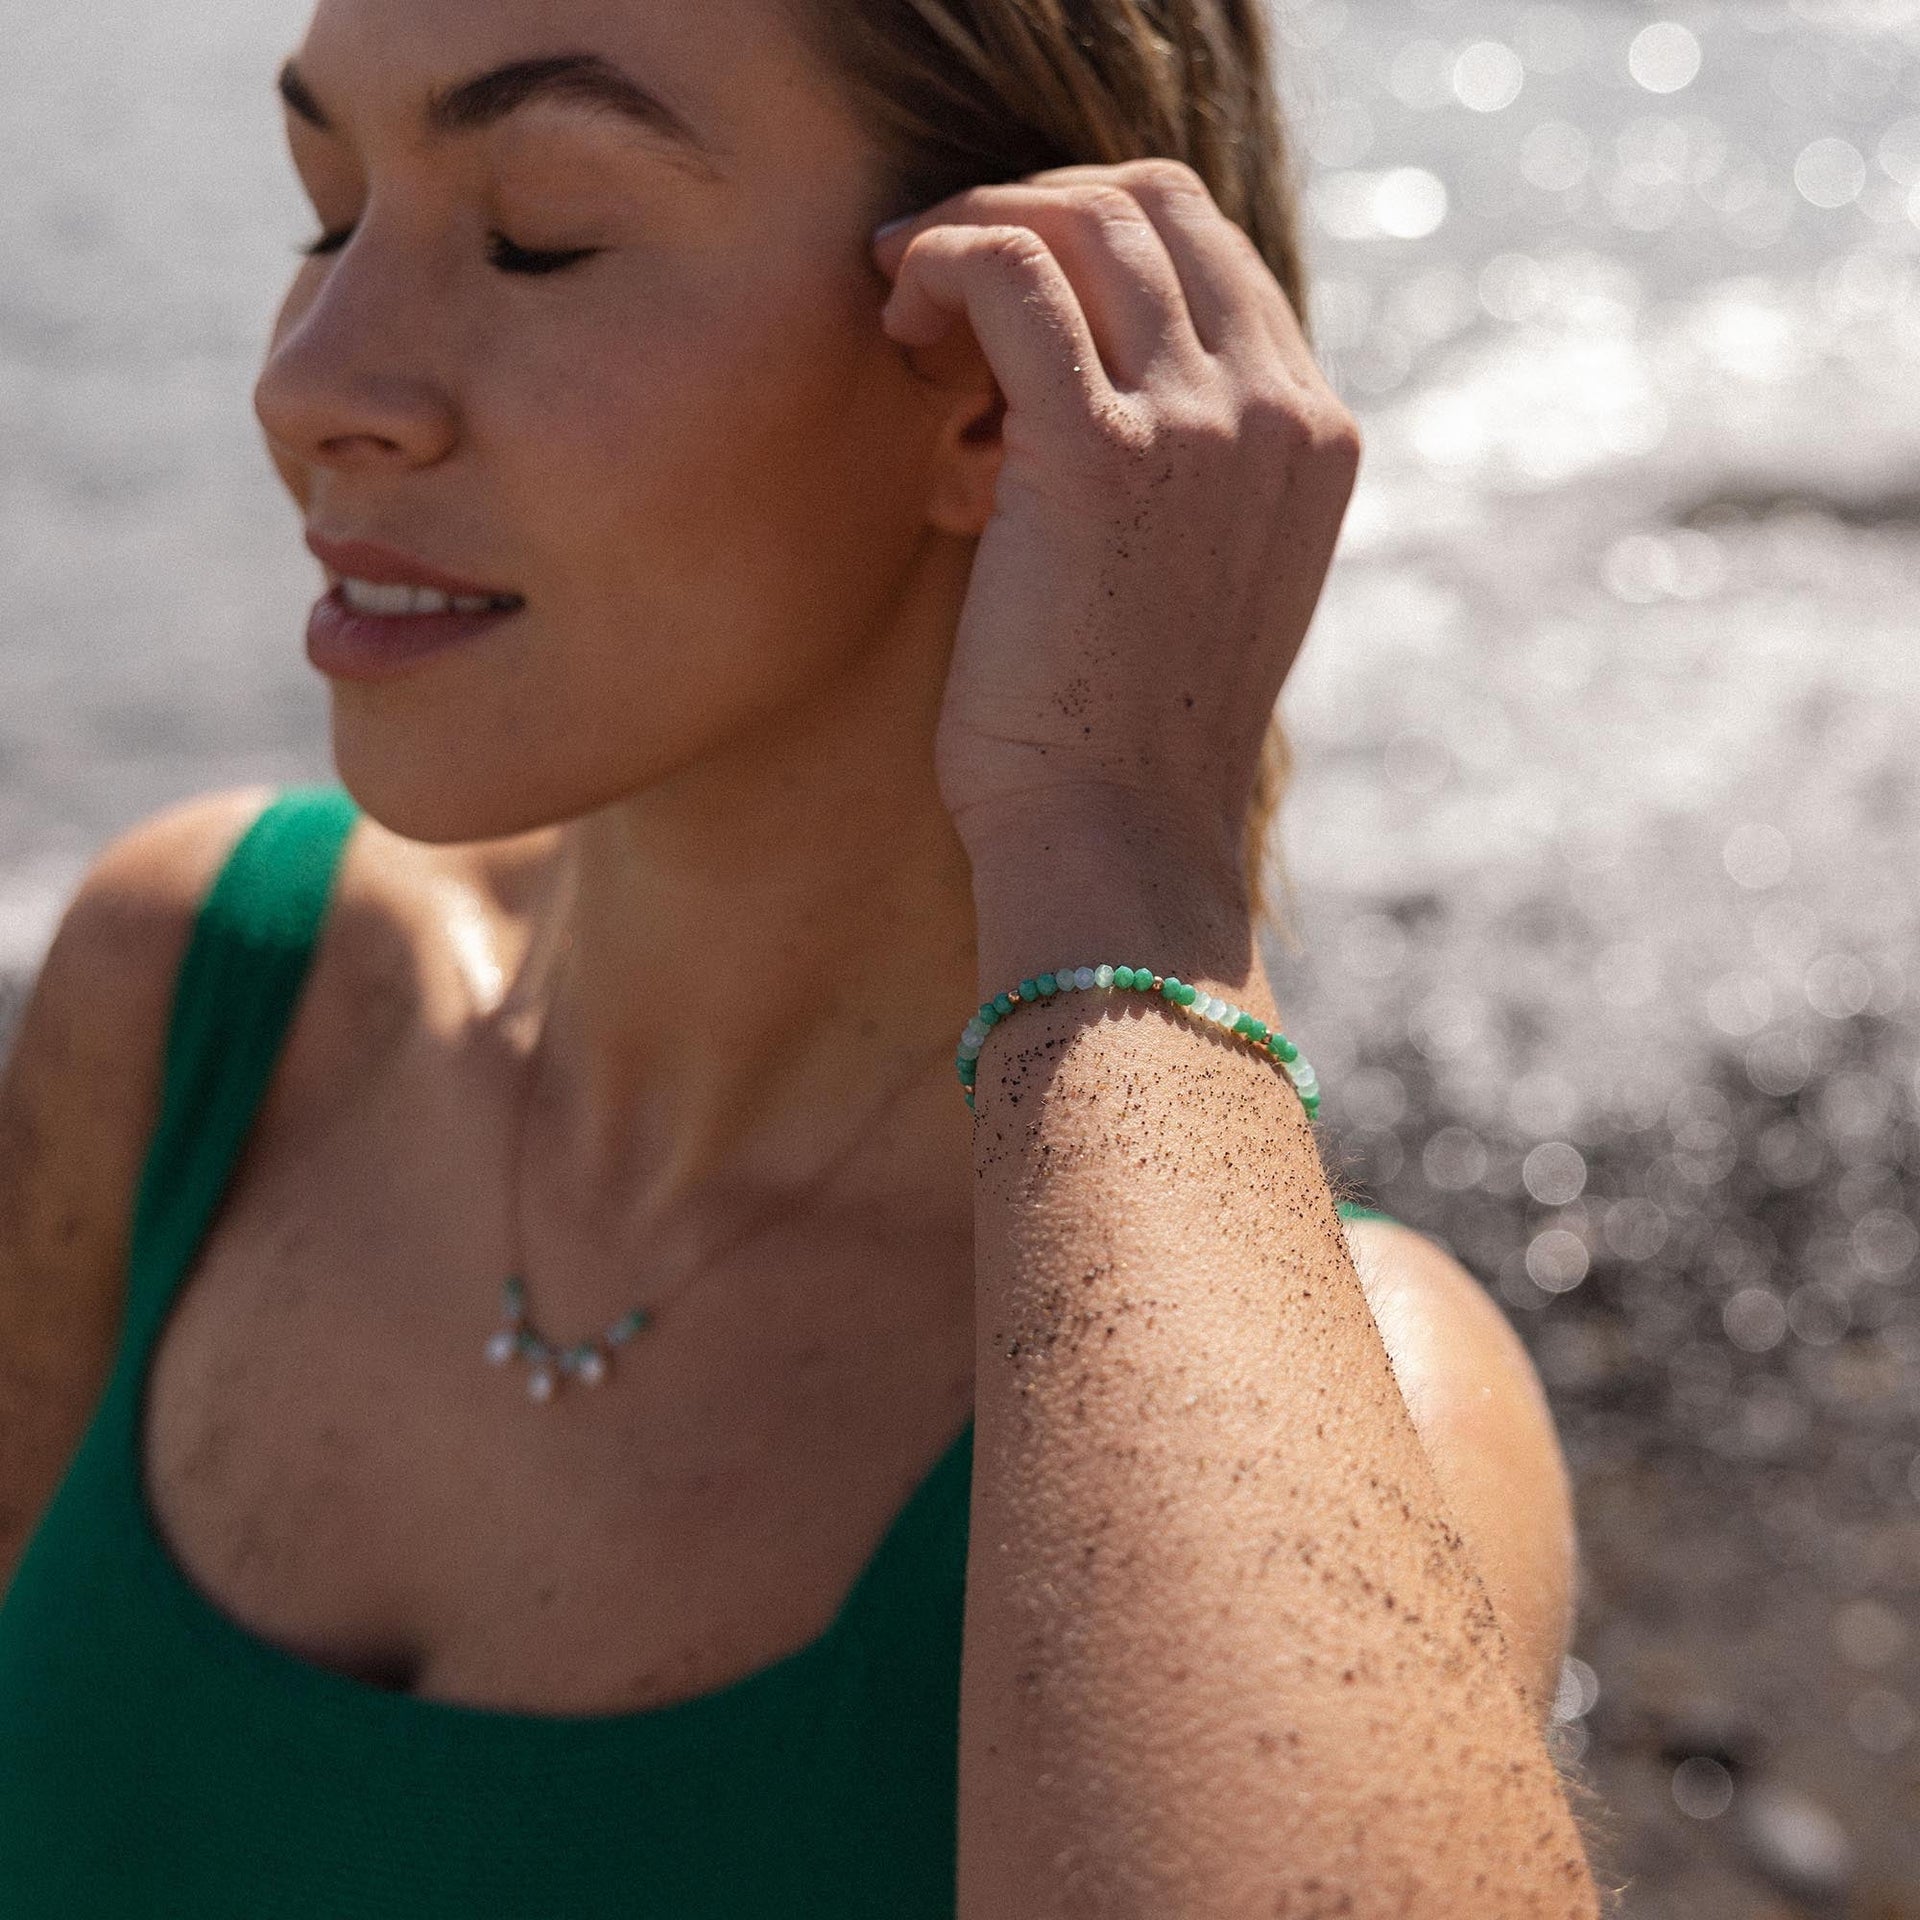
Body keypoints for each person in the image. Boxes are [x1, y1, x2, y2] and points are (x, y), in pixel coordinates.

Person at [0, 0, 1601, 1910]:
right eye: (328, 214)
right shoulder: (195, 998)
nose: (312, 380)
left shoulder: (1347, 1409)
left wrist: (1115, 857)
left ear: (1007, 376)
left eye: (543, 234)